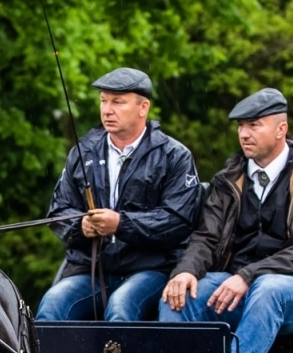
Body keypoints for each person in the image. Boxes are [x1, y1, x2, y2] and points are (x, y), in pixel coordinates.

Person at [159, 87, 293, 353]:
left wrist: (249, 275)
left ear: (281, 129)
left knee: (268, 289)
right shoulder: (229, 179)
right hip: (236, 285)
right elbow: (206, 237)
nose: (244, 133)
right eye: (241, 126)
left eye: (254, 125)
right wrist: (186, 270)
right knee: (178, 296)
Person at [36, 67, 200, 321]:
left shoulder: (174, 155)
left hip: (151, 269)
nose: (107, 110)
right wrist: (80, 226)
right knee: (51, 306)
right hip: (90, 270)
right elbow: (58, 212)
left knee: (120, 307)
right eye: (103, 101)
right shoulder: (83, 152)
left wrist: (121, 224)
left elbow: (178, 221)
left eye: (118, 102)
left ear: (143, 107)